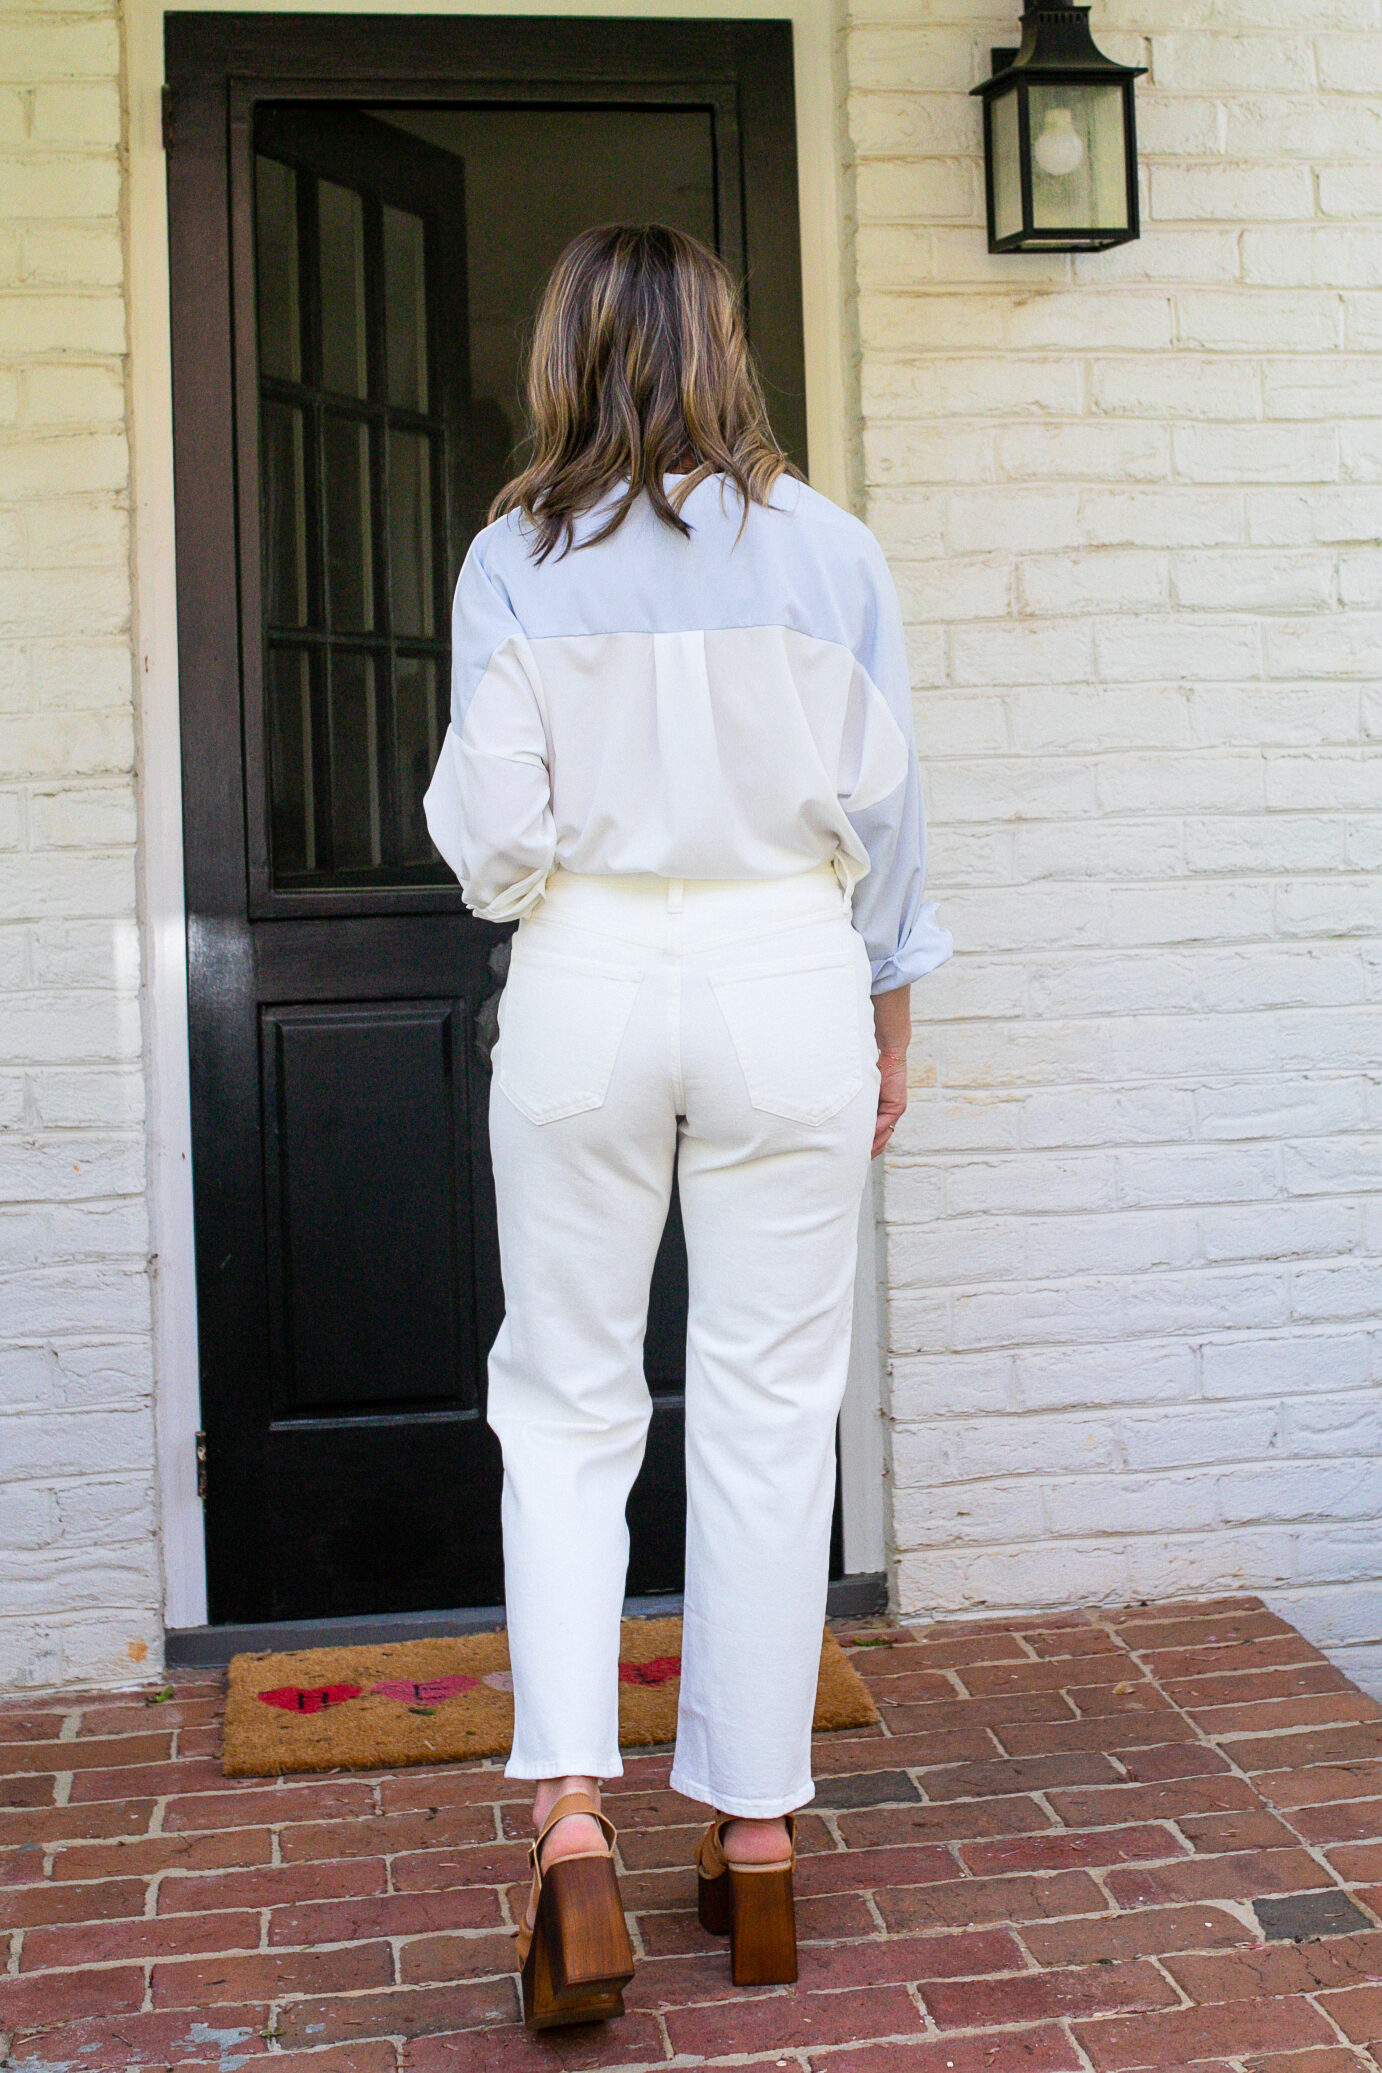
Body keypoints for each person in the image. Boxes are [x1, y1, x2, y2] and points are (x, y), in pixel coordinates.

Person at [424, 223, 951, 2030]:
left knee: (565, 1398)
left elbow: (492, 847)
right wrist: (887, 1023)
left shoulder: (517, 554)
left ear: (567, 350)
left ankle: (571, 1819)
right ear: (727, 345)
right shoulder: (831, 550)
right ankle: (756, 1832)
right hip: (783, 976)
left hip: (584, 977)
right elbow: (889, 836)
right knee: (766, 1402)